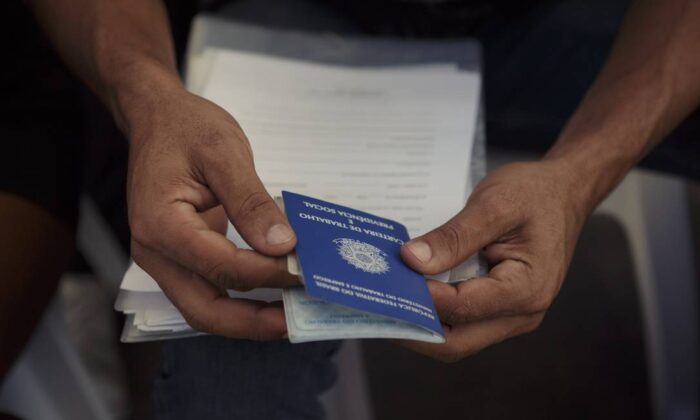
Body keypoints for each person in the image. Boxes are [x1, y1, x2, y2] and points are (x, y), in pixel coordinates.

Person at [7, 0, 699, 417]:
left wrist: (582, 174)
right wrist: (146, 93)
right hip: (295, 18)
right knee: (226, 355)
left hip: (583, 22)